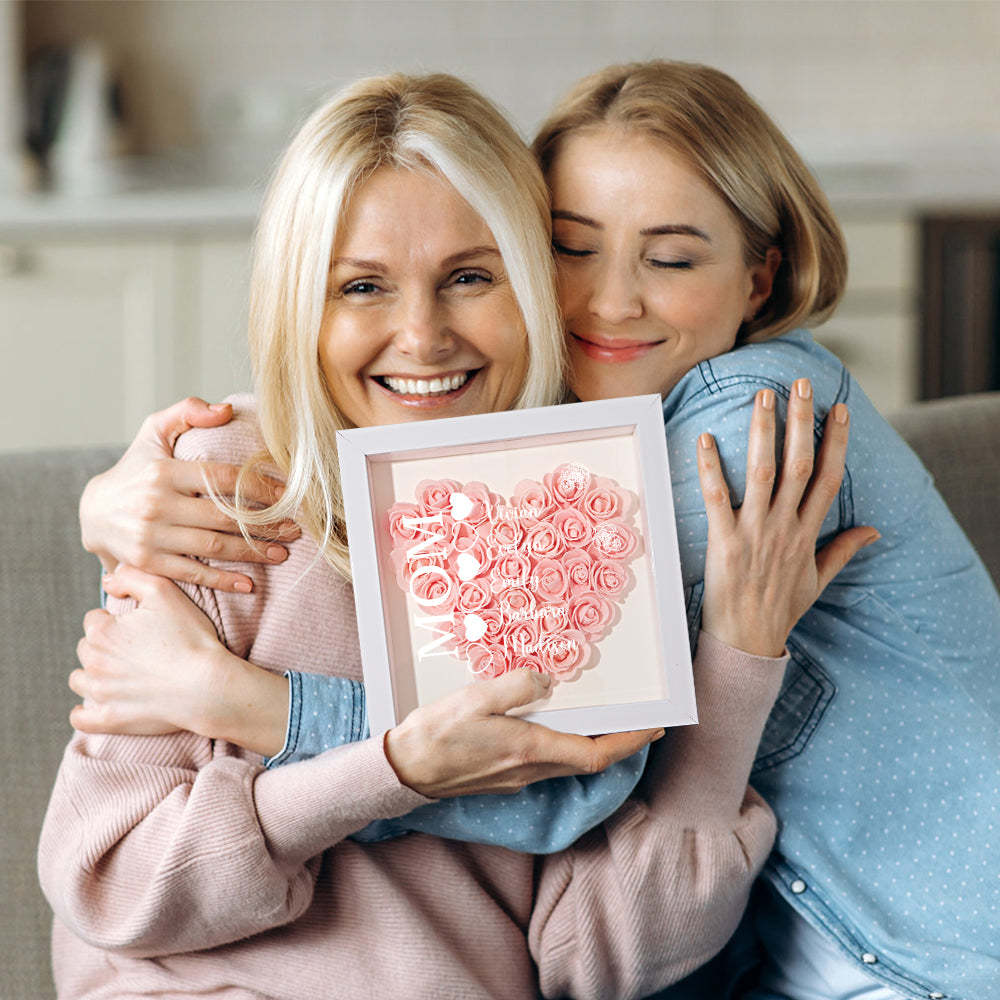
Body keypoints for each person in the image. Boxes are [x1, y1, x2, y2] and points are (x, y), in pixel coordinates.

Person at [76, 61, 1000, 1000]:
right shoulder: (214, 490)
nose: (610, 302)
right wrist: (105, 501)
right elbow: (111, 882)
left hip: (922, 955)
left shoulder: (644, 467)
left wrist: (260, 711)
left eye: (470, 276)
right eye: (573, 249)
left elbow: (576, 822)